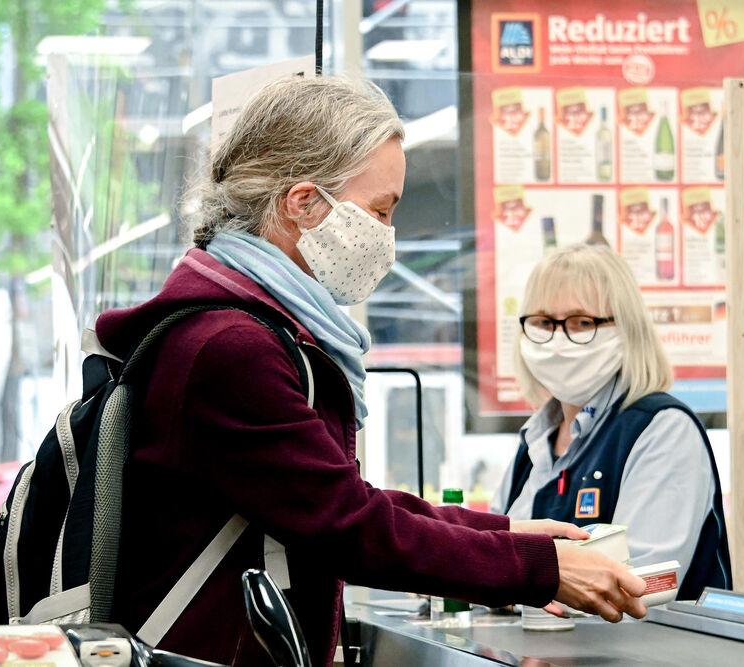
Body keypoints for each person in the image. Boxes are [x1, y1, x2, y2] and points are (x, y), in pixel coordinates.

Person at [96, 77, 646, 666]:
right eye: (381, 210)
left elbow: (336, 497)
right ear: (302, 203)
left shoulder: (240, 326)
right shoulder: (230, 346)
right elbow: (348, 524)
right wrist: (537, 570)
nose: (388, 237)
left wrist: (506, 533)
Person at [490, 243, 732, 600]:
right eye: (543, 322)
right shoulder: (536, 441)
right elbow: (493, 553)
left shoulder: (662, 430)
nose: (558, 340)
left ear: (626, 329)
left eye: (581, 322)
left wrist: (512, 587)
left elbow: (636, 586)